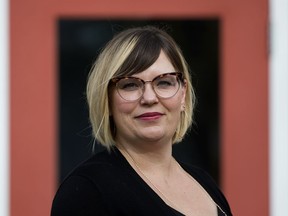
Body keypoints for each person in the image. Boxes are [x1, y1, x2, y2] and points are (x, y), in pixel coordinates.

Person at [51, 26, 232, 216]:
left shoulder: (204, 183)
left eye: (164, 82)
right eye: (130, 85)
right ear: (107, 100)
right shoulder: (87, 192)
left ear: (183, 94)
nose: (149, 98)